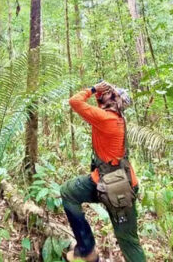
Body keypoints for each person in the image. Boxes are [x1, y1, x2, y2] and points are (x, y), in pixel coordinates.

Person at [61, 81, 146, 262]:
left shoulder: (105, 119)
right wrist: (102, 93)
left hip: (115, 188)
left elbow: (75, 101)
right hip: (115, 182)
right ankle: (86, 250)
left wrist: (92, 89)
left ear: (112, 102)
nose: (102, 95)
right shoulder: (116, 118)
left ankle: (86, 249)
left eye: (107, 94)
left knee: (128, 241)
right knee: (129, 241)